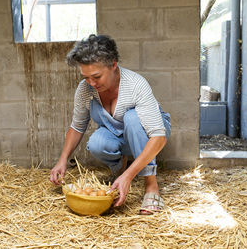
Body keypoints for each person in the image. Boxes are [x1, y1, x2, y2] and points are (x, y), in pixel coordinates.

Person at [50, 34, 171, 214]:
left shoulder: (135, 84)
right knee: (97, 142)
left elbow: (158, 137)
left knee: (132, 118)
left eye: (96, 76)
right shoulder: (85, 89)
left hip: (148, 134)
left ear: (113, 65)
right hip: (117, 133)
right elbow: (77, 126)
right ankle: (119, 169)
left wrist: (130, 176)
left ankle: (151, 186)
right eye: (86, 77)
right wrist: (62, 160)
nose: (91, 83)